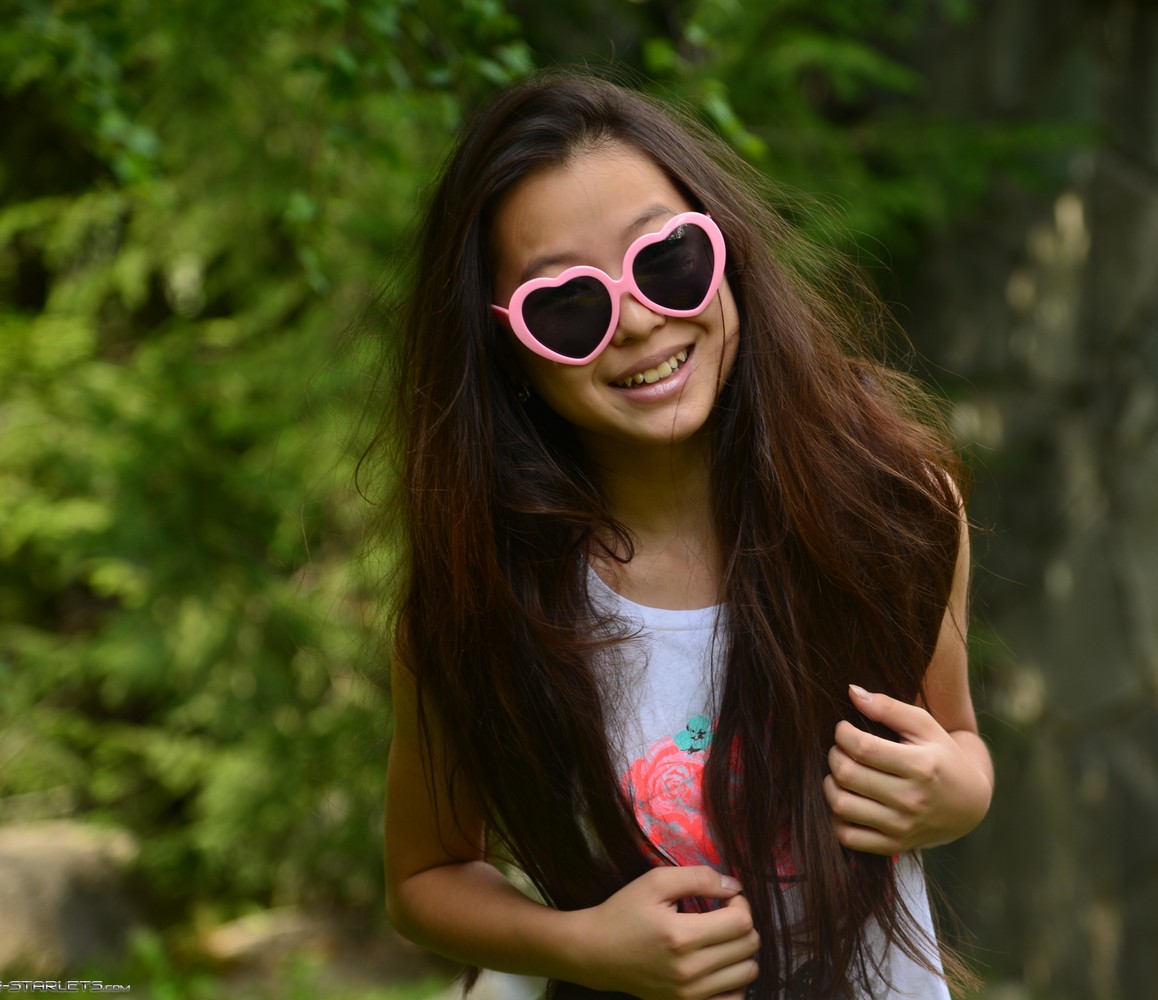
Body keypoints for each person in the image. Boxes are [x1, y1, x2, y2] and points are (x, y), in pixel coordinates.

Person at [380, 71, 993, 1000]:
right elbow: (424, 879)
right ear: (502, 346)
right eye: (568, 307)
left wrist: (955, 794)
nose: (637, 320)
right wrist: (583, 945)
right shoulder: (484, 598)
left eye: (667, 261)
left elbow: (957, 740)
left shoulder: (894, 509)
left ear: (725, 250)